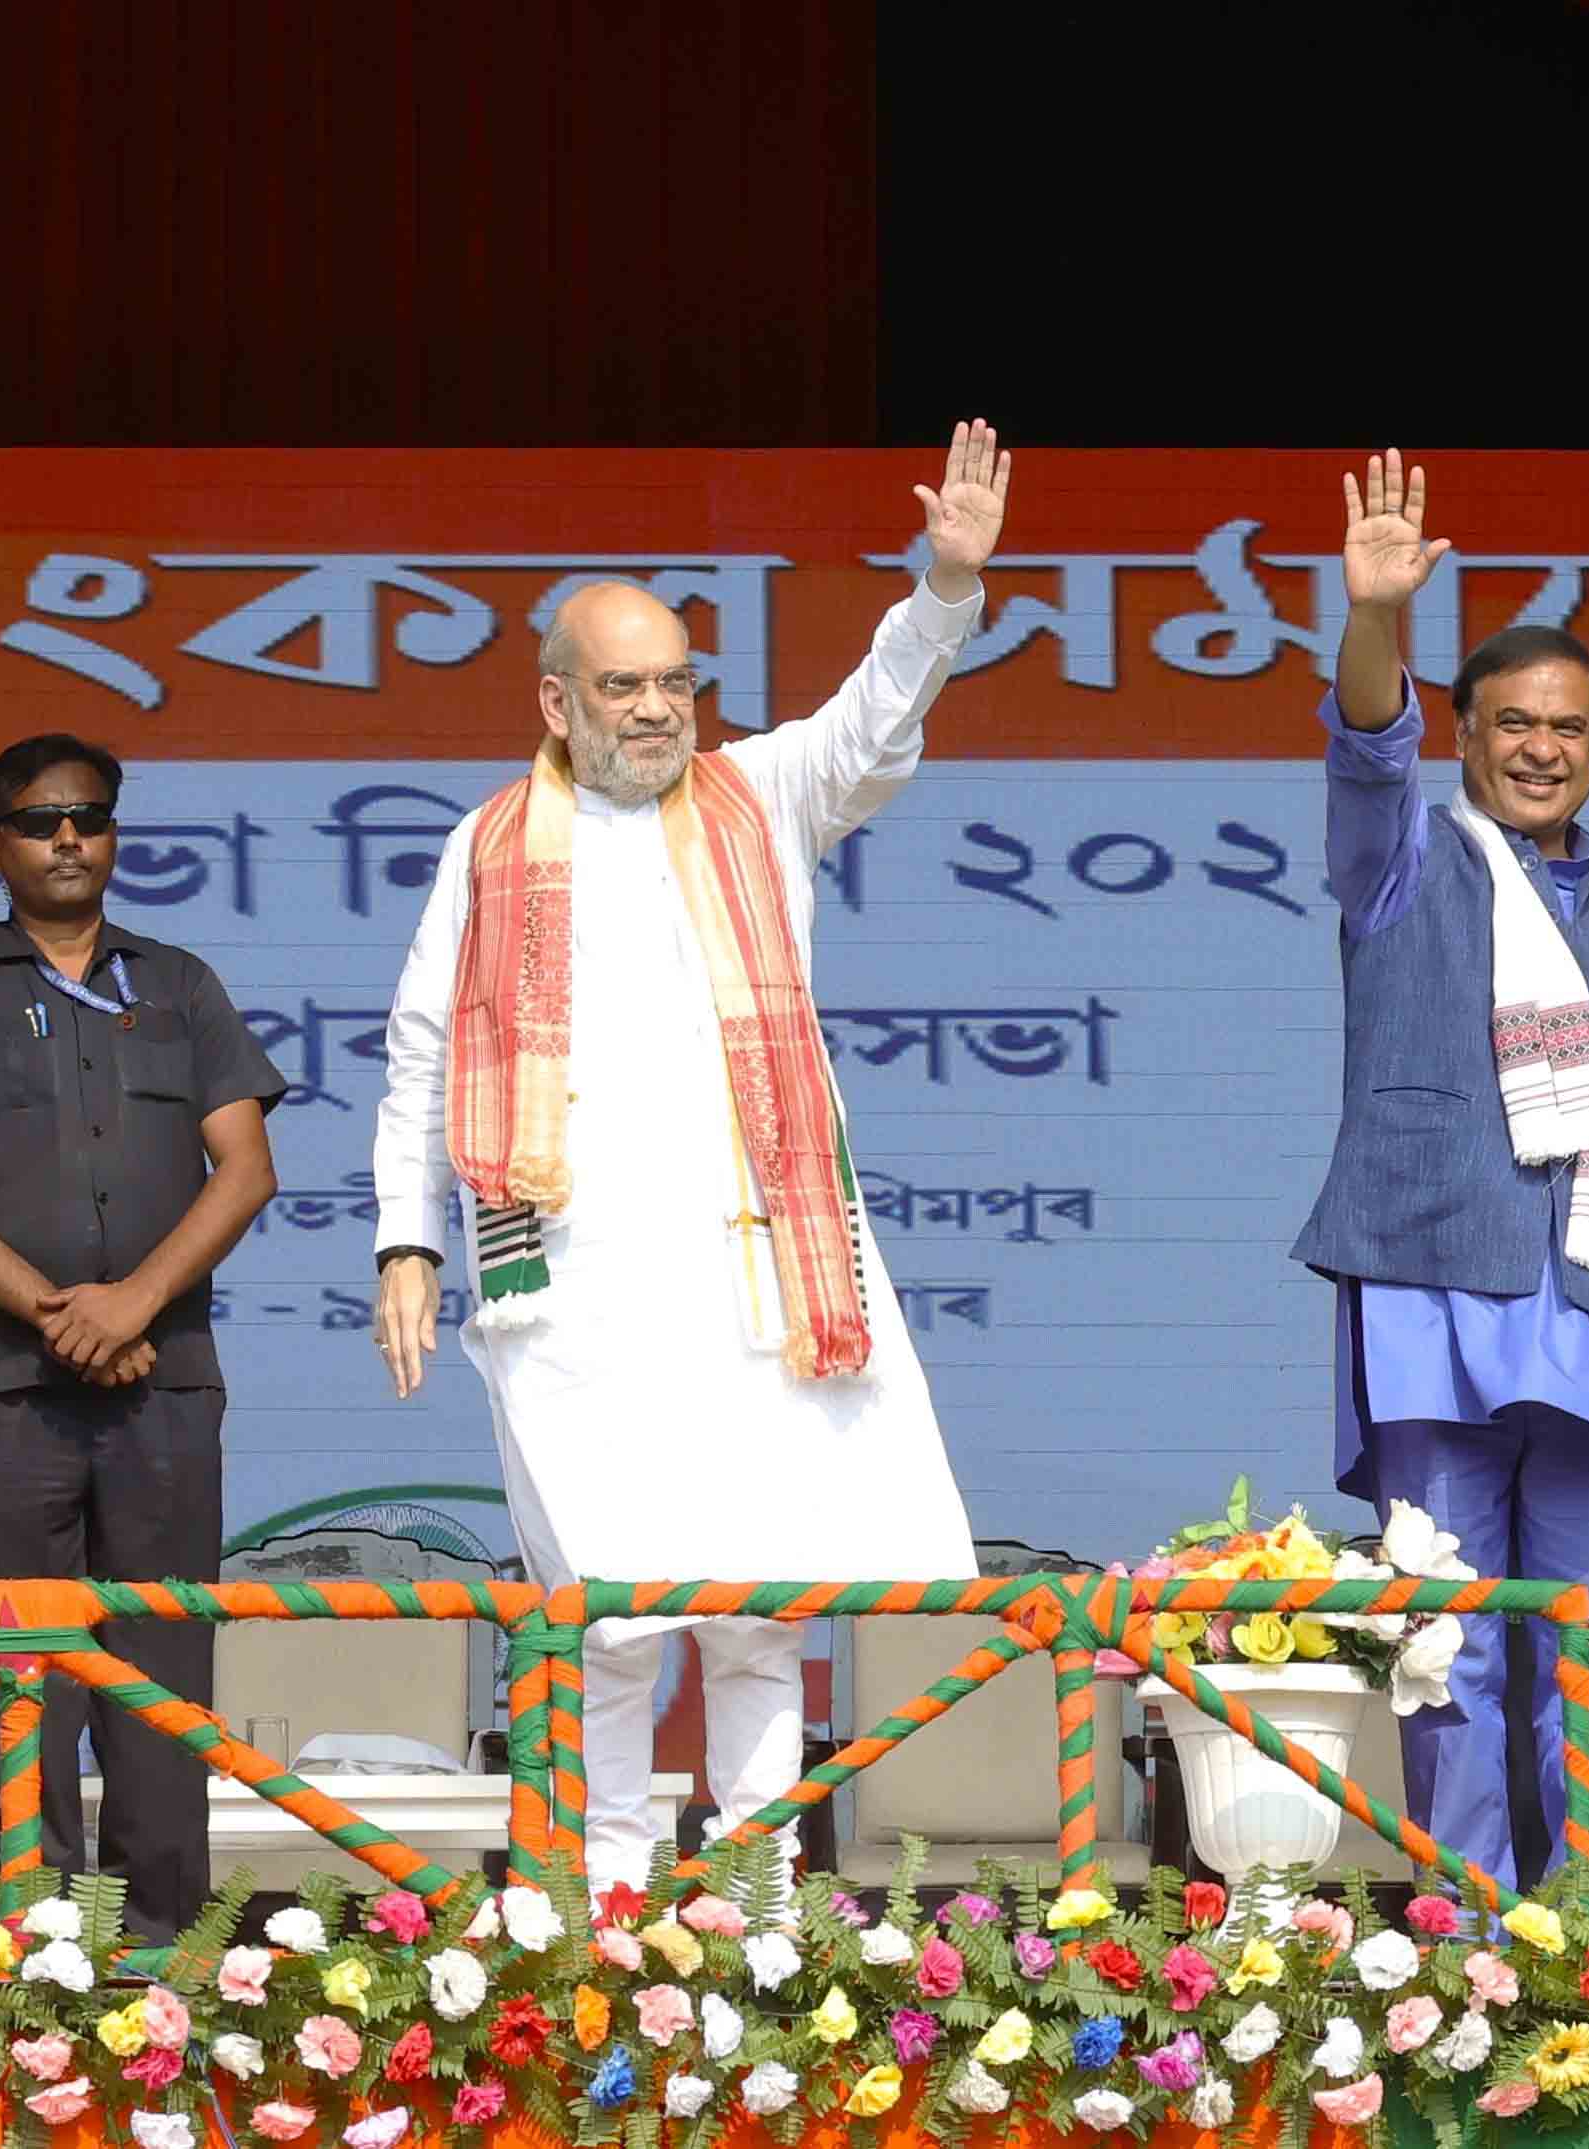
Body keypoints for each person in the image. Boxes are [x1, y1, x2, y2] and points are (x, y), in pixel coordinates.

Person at [369, 425, 1007, 1889]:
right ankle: (602, 1905)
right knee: (602, 1613)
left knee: (758, 1612)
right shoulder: (485, 848)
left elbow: (874, 720)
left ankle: (762, 1901)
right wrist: (404, 1239)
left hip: (752, 1279)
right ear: (555, 698)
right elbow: (418, 1050)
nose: (657, 709)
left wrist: (945, 586)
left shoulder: (759, 795)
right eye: (624, 685)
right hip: (573, 1294)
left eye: (676, 681)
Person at [1290, 450, 1589, 1892]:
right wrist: (1373, 620)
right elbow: (1365, 745)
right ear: (1465, 734)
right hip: (1435, 1300)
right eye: (1511, 724)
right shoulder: (1404, 861)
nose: (1541, 748)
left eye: (1568, 727)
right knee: (1447, 1644)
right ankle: (1471, 1930)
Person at [0, 732, 281, 1936]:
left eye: (87, 815)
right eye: (36, 819)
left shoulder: (179, 984)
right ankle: (41, 1929)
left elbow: (245, 1166)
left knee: (163, 1662)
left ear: (114, 834)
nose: (66, 836)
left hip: (162, 1380)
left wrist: (131, 1306)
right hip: (2, 1383)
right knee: (29, 1671)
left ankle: (165, 1931)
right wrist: (55, 1313)